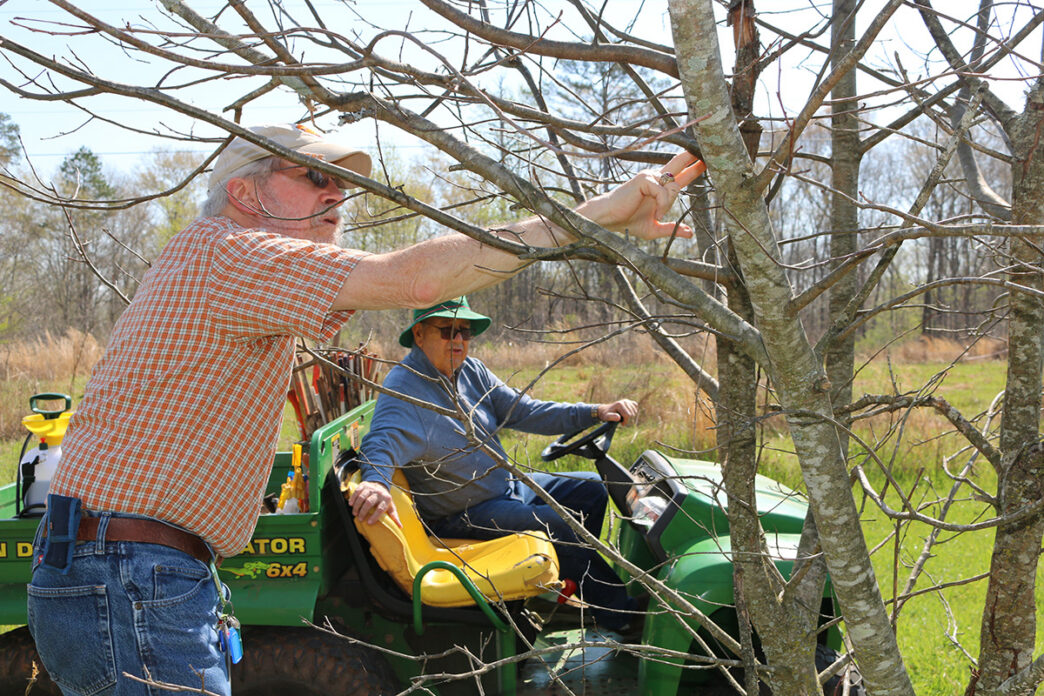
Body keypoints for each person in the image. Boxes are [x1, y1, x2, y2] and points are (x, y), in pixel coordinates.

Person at [27, 121, 705, 696]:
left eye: (339, 182)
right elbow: (419, 278)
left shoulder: (238, 274)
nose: (337, 194)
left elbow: (426, 280)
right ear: (242, 192)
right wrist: (594, 216)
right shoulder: (225, 254)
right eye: (313, 177)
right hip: (128, 574)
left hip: (132, 569)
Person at [349, 297, 641, 632]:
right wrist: (374, 481)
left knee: (590, 489)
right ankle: (625, 617)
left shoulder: (469, 371)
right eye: (447, 330)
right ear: (419, 334)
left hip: (506, 490)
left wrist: (594, 411)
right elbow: (379, 441)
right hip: (461, 516)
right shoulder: (406, 389)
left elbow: (525, 410)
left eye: (465, 331)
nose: (458, 340)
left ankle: (566, 584)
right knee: (559, 523)